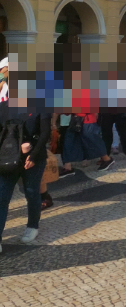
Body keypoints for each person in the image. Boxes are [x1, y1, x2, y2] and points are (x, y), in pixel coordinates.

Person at [0, 109, 52, 251]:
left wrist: (33, 154)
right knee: (2, 197)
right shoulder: (4, 107)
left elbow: (45, 133)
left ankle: (32, 226)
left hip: (33, 160)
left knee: (31, 192)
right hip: (8, 158)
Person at [63, 69, 115, 172]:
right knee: (69, 141)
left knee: (92, 141)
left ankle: (107, 159)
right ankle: (67, 166)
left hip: (87, 121)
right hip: (78, 120)